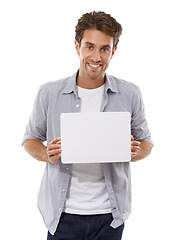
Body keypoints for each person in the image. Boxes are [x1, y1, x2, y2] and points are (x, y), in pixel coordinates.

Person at [22, 11, 153, 240]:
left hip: (110, 217)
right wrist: (46, 153)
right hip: (62, 216)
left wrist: (134, 150)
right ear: (77, 46)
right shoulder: (49, 93)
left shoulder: (130, 93)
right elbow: (30, 138)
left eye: (104, 49)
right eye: (89, 46)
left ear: (113, 51)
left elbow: (147, 143)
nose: (96, 56)